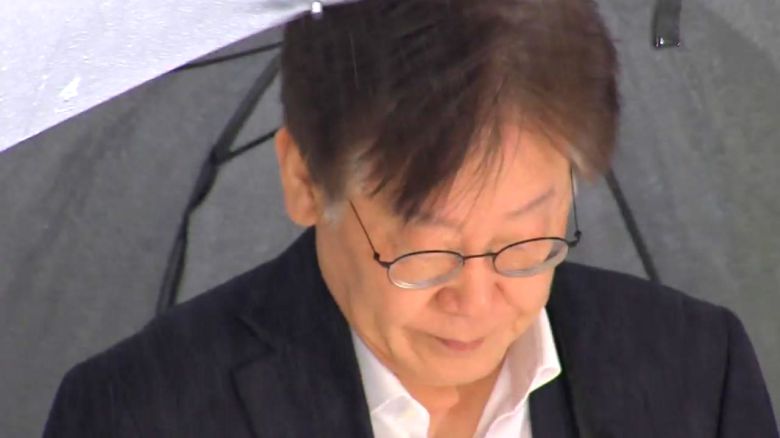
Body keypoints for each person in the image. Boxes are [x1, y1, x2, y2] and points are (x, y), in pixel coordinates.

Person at [43, 0, 777, 437]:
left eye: (527, 241)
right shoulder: (139, 414)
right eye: (427, 252)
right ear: (305, 179)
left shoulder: (696, 372)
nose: (478, 301)